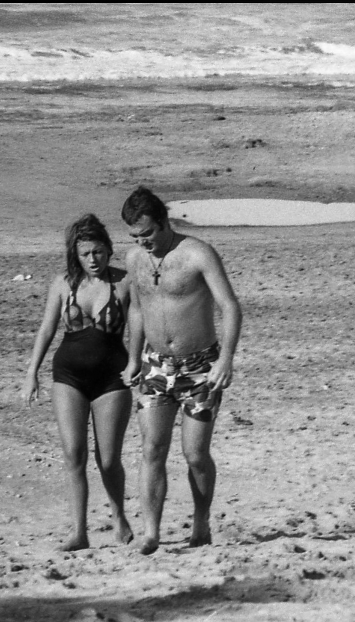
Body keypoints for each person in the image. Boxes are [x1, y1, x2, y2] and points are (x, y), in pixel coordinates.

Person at [119, 186, 242, 555]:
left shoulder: (197, 253)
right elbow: (138, 309)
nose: (145, 243)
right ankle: (151, 532)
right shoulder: (135, 259)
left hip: (200, 367)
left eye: (149, 234)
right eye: (136, 237)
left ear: (164, 222)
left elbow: (230, 307)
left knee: (195, 454)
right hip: (156, 365)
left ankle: (201, 522)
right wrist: (133, 357)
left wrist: (226, 360)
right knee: (152, 448)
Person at [22, 213, 134, 551]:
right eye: (85, 254)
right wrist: (31, 373)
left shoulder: (126, 283)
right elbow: (46, 329)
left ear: (108, 249)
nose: (93, 260)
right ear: (75, 254)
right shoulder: (62, 284)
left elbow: (143, 324)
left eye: (98, 252)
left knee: (109, 458)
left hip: (112, 377)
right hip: (68, 375)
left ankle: (119, 515)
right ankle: (79, 531)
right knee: (74, 454)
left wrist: (139, 363)